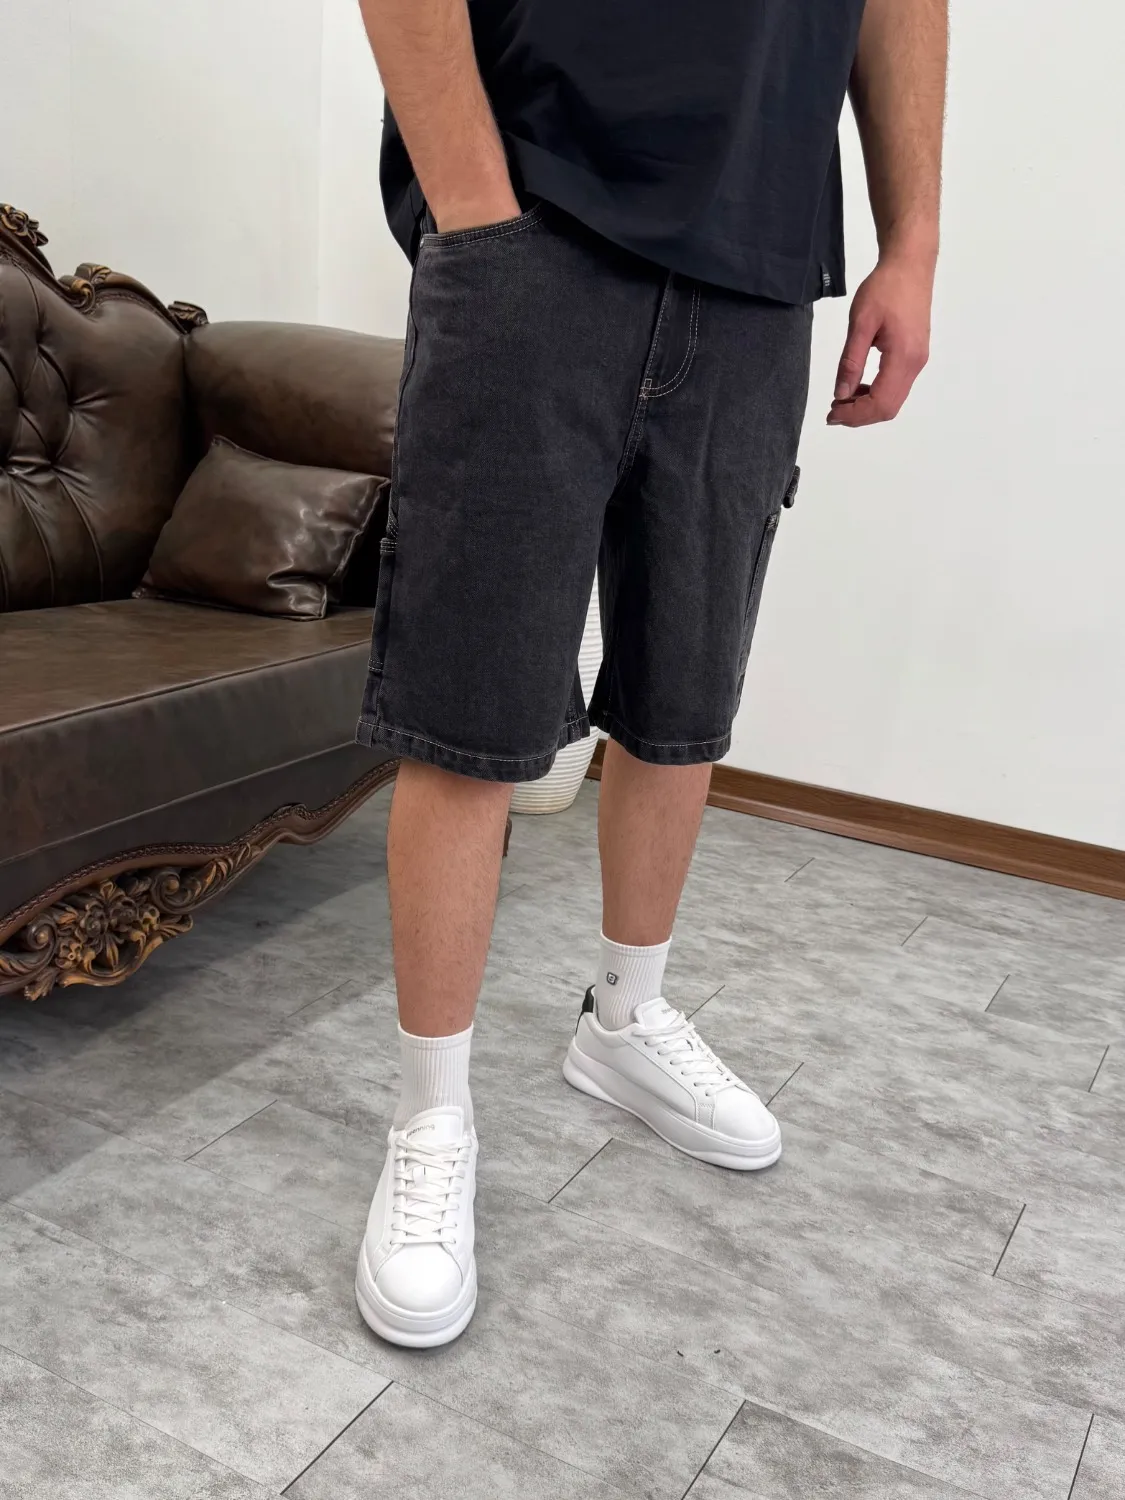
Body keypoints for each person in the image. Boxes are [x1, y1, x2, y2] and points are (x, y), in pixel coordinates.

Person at [353, 0, 947, 1348]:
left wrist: (910, 241)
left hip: (760, 258)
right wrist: (476, 206)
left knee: (686, 687)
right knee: (469, 703)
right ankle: (431, 1115)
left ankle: (625, 1018)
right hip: (536, 216)